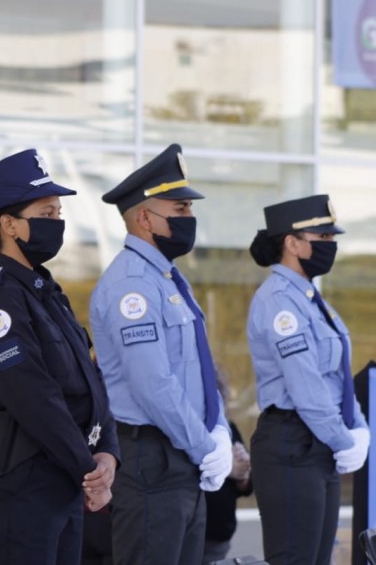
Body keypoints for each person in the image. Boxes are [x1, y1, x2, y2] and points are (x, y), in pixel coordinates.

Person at [0, 149, 120, 564]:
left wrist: (107, 451)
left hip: (64, 482)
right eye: (46, 213)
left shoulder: (47, 293)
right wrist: (89, 468)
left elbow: (92, 380)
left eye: (58, 213)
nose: (58, 223)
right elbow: (32, 395)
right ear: (10, 225)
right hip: (23, 489)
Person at [89, 143, 232, 565]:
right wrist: (205, 445)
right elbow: (153, 383)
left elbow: (199, 371)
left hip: (181, 458)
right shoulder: (131, 286)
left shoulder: (168, 280)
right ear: (146, 218)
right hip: (151, 460)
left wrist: (219, 429)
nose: (190, 219)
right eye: (180, 210)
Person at [247, 195, 370, 565]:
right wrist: (344, 437)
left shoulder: (312, 299)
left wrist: (359, 427)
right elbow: (306, 385)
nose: (330, 246)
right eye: (323, 237)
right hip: (291, 445)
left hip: (318, 447)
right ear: (292, 242)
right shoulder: (280, 301)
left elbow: (337, 378)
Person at [203, 372, 253, 565]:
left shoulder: (227, 428)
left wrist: (243, 472)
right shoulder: (184, 432)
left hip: (219, 532)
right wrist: (228, 467)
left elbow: (246, 486)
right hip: (192, 529)